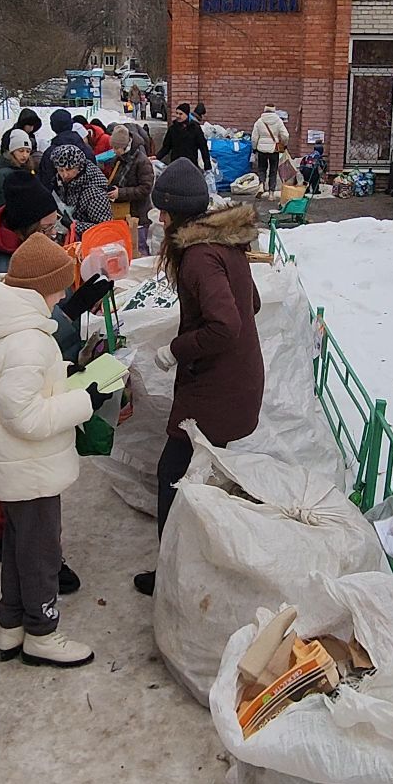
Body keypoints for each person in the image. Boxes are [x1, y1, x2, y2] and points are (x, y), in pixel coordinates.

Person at [0, 234, 111, 669]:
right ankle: (42, 633)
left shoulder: (3, 321)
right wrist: (86, 400)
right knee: (41, 550)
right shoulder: (28, 339)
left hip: (11, 464)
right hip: (28, 465)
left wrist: (69, 375)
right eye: (59, 287)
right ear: (41, 287)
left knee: (17, 545)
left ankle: (11, 625)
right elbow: (25, 415)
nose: (63, 295)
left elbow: (19, 387)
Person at [133, 160, 265, 597]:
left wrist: (177, 349)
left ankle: (174, 577)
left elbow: (226, 325)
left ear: (175, 213)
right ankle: (197, 563)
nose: (160, 220)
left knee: (174, 473)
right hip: (235, 381)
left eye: (163, 213)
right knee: (193, 474)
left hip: (217, 389)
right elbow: (253, 303)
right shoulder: (224, 243)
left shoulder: (197, 257)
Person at [107, 124, 157, 253]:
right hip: (124, 212)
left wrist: (121, 193)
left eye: (117, 147)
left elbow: (145, 189)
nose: (114, 150)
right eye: (113, 147)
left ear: (125, 146)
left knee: (139, 248)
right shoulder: (119, 159)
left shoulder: (142, 161)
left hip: (139, 214)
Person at [49, 144, 114, 228]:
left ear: (79, 167)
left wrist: (73, 226)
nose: (64, 175)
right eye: (60, 170)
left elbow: (104, 227)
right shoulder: (62, 182)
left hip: (88, 239)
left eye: (69, 169)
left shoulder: (94, 193)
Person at [36, 108, 88, 191]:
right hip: (86, 197)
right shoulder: (85, 148)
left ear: (52, 126)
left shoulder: (50, 153)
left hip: (59, 199)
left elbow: (45, 181)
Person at [158, 101, 211, 173]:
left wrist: (207, 167)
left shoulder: (195, 129)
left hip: (191, 165)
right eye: (176, 113)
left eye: (180, 114)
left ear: (187, 115)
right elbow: (166, 147)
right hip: (175, 165)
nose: (178, 116)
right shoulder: (173, 129)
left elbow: (203, 148)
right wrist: (157, 157)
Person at [251, 105, 290, 197]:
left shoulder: (259, 122)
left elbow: (254, 137)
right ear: (274, 111)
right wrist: (284, 144)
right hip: (274, 150)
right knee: (273, 170)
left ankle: (261, 185)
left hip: (261, 149)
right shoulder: (278, 121)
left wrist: (254, 148)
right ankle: (271, 193)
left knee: (262, 169)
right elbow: (286, 135)